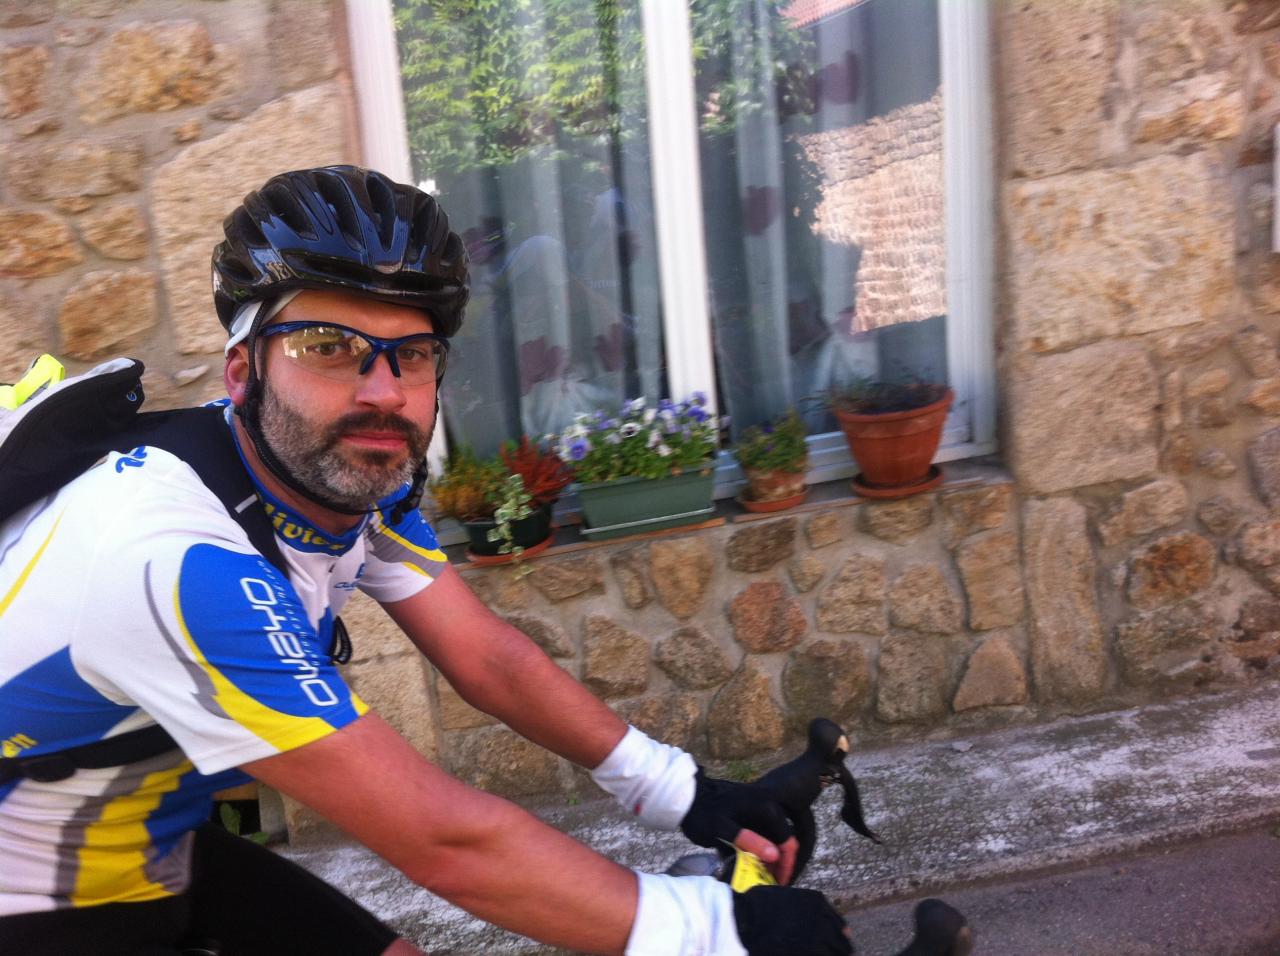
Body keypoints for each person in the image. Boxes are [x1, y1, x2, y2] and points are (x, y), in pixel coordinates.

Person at [0, 166, 856, 956]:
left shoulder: (349, 481)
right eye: (326, 346)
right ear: (241, 372)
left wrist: (683, 791)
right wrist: (712, 931)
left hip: (148, 841)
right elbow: (444, 841)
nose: (381, 391)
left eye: (410, 354)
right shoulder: (174, 559)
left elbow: (486, 657)